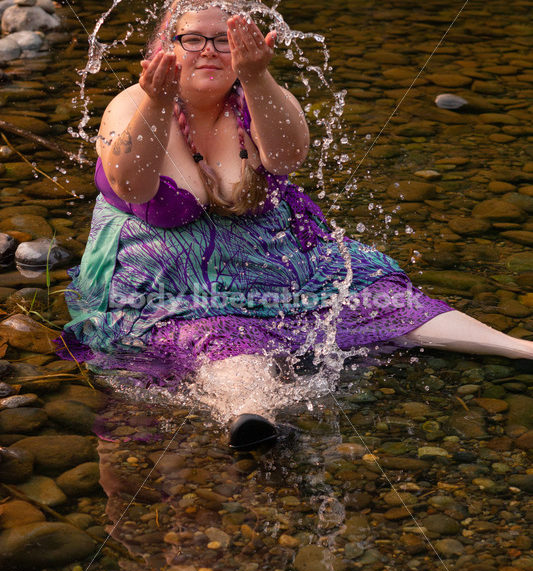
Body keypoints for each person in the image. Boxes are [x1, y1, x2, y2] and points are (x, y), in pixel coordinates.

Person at [60, 1, 532, 445]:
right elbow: (133, 188)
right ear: (165, 48)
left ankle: (518, 347)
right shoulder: (131, 104)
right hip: (166, 273)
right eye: (192, 39)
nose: (209, 51)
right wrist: (157, 103)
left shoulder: (257, 94)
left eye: (225, 39)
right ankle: (249, 415)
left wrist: (258, 77)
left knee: (381, 300)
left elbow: (288, 157)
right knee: (218, 335)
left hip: (272, 258)